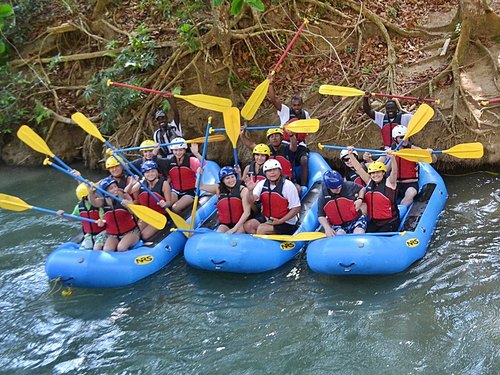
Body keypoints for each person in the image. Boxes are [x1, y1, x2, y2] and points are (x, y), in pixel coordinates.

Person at [268, 75, 310, 185]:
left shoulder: (306, 114)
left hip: (299, 144)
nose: (296, 107)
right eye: (294, 105)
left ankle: (304, 186)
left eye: (299, 105)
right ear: (292, 105)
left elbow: (307, 132)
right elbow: (273, 99)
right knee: (283, 160)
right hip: (286, 143)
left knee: (304, 160)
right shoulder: (285, 111)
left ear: (302, 105)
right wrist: (270, 84)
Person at [347, 149, 401, 233]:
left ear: (383, 173)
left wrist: (393, 158)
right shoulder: (369, 181)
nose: (375, 175)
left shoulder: (390, 182)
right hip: (375, 222)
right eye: (372, 173)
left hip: (389, 222)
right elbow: (358, 168)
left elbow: (394, 172)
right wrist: (350, 155)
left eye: (378, 172)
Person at [244, 159, 301, 235]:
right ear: (265, 173)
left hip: (287, 222)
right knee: (248, 226)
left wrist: (280, 221)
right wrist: (250, 191)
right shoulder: (261, 184)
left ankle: (264, 242)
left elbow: (296, 208)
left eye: (274, 169)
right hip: (270, 219)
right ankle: (268, 241)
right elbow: (251, 200)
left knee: (262, 229)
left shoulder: (288, 185)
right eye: (269, 170)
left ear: (280, 171)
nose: (272, 173)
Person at [240, 126, 302, 194]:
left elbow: (294, 146)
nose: (274, 138)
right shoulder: (266, 149)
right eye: (271, 136)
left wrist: (291, 135)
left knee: (298, 189)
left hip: (287, 180)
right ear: (269, 139)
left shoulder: (287, 148)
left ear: (281, 137)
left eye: (276, 136)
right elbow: (251, 145)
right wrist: (242, 135)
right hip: (271, 180)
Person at [388, 125, 436, 207]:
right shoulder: (389, 151)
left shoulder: (414, 151)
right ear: (395, 139)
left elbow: (433, 161)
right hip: (394, 184)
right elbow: (383, 168)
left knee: (410, 193)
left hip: (410, 183)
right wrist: (368, 159)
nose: (405, 139)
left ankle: (400, 213)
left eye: (407, 136)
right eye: (402, 137)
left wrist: (431, 154)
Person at [89, 176, 141, 251]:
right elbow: (93, 202)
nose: (115, 190)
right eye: (111, 188)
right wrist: (90, 192)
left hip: (131, 232)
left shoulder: (124, 196)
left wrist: (129, 206)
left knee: (121, 248)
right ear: (105, 192)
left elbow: (134, 213)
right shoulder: (103, 201)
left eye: (115, 187)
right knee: (107, 249)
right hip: (113, 235)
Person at [125, 161, 171, 240]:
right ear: (144, 174)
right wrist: (132, 183)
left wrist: (165, 204)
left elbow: (169, 202)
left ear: (157, 172)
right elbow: (126, 192)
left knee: (144, 235)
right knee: (137, 230)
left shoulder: (164, 184)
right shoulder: (142, 182)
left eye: (153, 171)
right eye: (147, 172)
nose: (150, 174)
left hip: (160, 216)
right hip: (147, 214)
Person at [200, 166, 251, 234]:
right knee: (219, 233)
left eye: (232, 177)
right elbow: (200, 186)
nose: (231, 180)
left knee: (237, 235)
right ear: (223, 180)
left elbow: (247, 212)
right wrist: (200, 174)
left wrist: (234, 229)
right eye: (227, 178)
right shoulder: (218, 188)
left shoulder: (243, 190)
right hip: (225, 224)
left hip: (240, 223)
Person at [317, 170, 368, 237]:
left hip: (355, 219)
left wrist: (360, 199)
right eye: (335, 188)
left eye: (340, 187)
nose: (338, 189)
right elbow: (321, 215)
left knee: (359, 233)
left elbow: (362, 189)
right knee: (340, 236)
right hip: (337, 224)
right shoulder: (323, 195)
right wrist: (327, 228)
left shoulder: (348, 185)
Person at [57, 183, 106, 250]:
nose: (96, 194)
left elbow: (102, 217)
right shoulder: (79, 207)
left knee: (97, 248)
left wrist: (101, 220)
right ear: (85, 197)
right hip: (88, 235)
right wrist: (63, 215)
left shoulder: (98, 205)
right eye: (94, 193)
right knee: (84, 249)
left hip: (101, 233)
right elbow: (72, 218)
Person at [164, 137, 203, 213]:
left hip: (190, 192)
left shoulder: (191, 160)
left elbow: (203, 164)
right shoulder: (169, 162)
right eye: (175, 150)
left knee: (175, 208)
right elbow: (156, 161)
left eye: (181, 150)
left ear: (185, 150)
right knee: (166, 205)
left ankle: (182, 221)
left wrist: (196, 153)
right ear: (172, 151)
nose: (178, 152)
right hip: (175, 191)